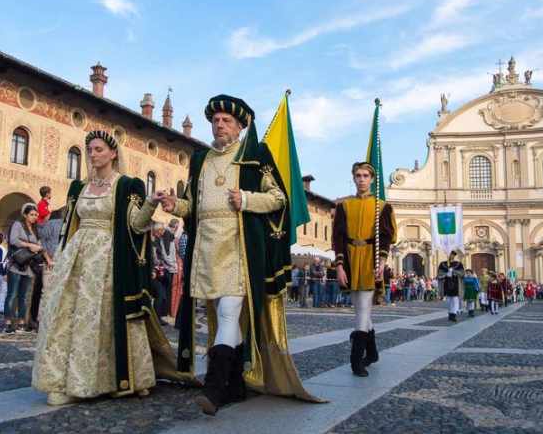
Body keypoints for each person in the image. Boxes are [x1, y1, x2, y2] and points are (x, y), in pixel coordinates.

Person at [152, 94, 320, 415]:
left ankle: (214, 389)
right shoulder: (200, 159)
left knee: (229, 313)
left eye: (226, 120)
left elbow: (278, 198)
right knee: (222, 314)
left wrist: (246, 198)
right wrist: (177, 206)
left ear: (241, 125)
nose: (219, 124)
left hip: (239, 245)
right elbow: (193, 206)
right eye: (215, 120)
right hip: (205, 248)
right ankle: (236, 384)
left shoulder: (255, 154)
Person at [33, 130, 194, 407]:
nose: (93, 154)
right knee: (68, 318)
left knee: (102, 319)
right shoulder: (78, 188)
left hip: (109, 259)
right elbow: (71, 225)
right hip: (77, 257)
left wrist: (151, 203)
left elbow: (137, 225)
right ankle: (66, 381)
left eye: (98, 149)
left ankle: (118, 378)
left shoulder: (126, 185)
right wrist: (60, 258)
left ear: (113, 153)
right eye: (90, 149)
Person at [332, 161, 397, 377]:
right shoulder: (344, 206)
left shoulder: (382, 207)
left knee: (362, 308)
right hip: (350, 258)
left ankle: (355, 360)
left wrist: (382, 261)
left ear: (372, 179)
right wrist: (339, 266)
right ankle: (373, 353)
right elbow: (338, 237)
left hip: (370, 258)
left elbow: (386, 236)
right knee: (361, 307)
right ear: (353, 178)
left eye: (365, 176)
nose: (361, 179)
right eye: (358, 175)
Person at [5, 204, 50, 334]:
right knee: (12, 294)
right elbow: (13, 240)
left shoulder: (35, 230)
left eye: (36, 215)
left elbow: (39, 245)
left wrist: (44, 254)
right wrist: (29, 245)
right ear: (25, 215)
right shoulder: (17, 225)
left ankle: (21, 322)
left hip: (29, 265)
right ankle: (8, 322)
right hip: (17, 264)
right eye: (32, 214)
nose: (34, 217)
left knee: (24, 296)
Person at [437, 251, 464, 322]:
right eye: (450, 254)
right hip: (446, 284)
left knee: (455, 300)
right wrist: (446, 274)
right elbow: (439, 274)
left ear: (454, 256)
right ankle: (450, 313)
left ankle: (453, 315)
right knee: (448, 300)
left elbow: (462, 273)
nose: (451, 256)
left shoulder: (458, 264)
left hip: (456, 284)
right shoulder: (443, 264)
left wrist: (454, 271)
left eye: (452, 254)